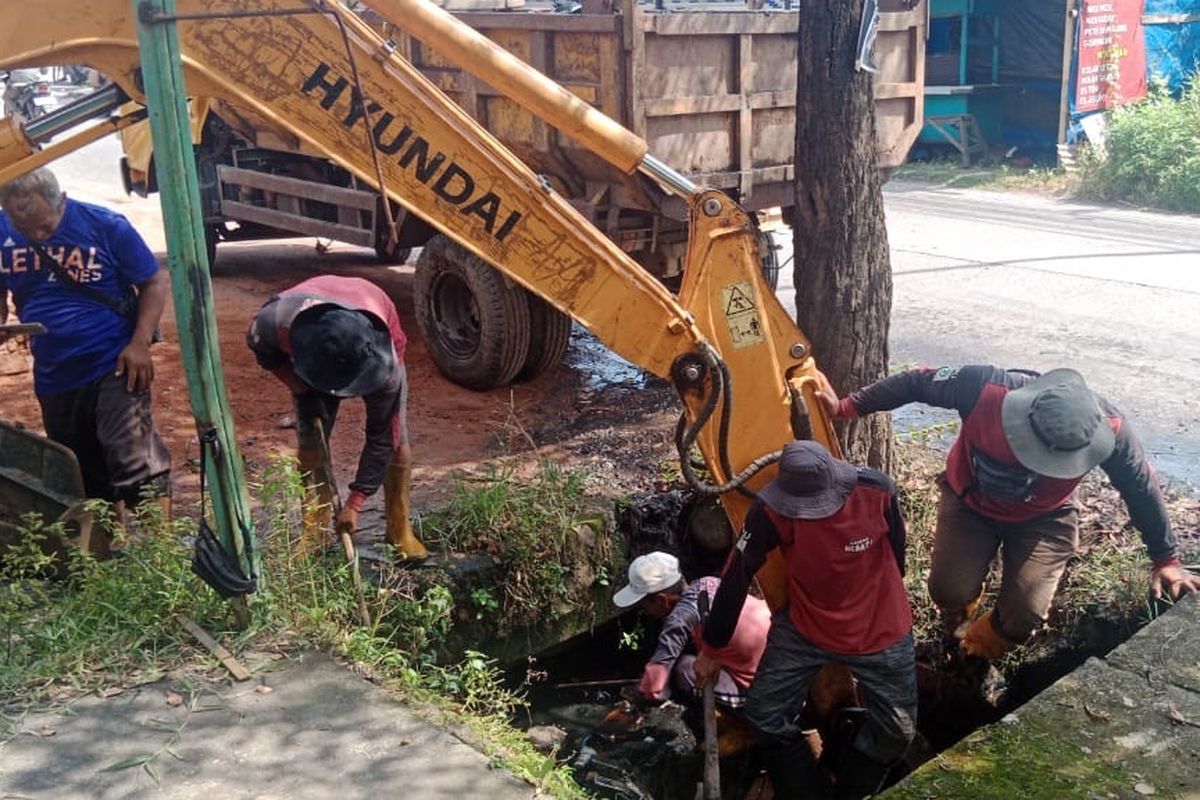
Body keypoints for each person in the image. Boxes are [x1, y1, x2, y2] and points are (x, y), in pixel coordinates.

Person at [817, 366, 1200, 664]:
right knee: (948, 590)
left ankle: (974, 652)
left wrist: (1166, 558)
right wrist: (847, 407)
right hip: (970, 502)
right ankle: (961, 614)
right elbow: (916, 381)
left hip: (1046, 518)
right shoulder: (982, 387)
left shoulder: (1113, 431)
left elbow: (1141, 488)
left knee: (1024, 614)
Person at [698, 440, 916, 799]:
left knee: (897, 731)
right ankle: (807, 791)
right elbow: (737, 575)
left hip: (881, 629)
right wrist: (712, 647)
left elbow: (898, 552)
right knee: (764, 712)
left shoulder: (877, 491)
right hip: (807, 627)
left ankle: (849, 790)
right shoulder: (770, 511)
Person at [0, 167, 171, 520]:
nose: (36, 235)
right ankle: (103, 563)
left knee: (137, 468)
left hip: (115, 364)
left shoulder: (106, 225)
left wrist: (140, 344)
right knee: (81, 479)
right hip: (55, 375)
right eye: (24, 230)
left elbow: (152, 281)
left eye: (45, 227)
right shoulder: (1, 231)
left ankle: (161, 563)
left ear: (61, 200)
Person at [246, 275, 426, 559]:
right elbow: (264, 351)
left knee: (395, 438)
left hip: (372, 325)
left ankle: (399, 527)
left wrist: (355, 503)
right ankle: (314, 532)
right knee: (310, 443)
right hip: (313, 363)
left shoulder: (386, 366)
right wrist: (297, 384)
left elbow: (382, 438)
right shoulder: (273, 323)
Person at [613, 551, 770, 711]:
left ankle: (728, 715)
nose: (644, 611)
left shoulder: (678, 620)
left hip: (761, 688)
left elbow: (655, 688)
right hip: (781, 651)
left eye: (644, 605)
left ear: (662, 600)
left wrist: (641, 693)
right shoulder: (709, 582)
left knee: (683, 670)